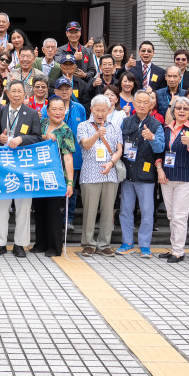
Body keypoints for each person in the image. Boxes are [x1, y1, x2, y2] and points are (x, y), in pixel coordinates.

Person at [0, 80, 42, 258]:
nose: (17, 94)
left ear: (25, 95)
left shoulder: (32, 114)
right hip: (3, 166)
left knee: (23, 206)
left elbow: (36, 137)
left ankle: (20, 244)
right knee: (2, 206)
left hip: (24, 167)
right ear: (7, 93)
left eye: (20, 91)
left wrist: (21, 139)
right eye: (13, 91)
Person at [115, 90, 164, 257]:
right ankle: (127, 242)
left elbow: (160, 149)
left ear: (151, 105)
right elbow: (119, 145)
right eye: (139, 102)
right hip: (128, 174)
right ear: (133, 104)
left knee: (147, 211)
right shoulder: (126, 122)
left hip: (146, 175)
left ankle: (144, 245)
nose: (142, 105)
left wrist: (151, 137)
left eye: (146, 102)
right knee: (126, 210)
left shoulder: (156, 125)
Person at [76, 94, 123, 257]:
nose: (101, 114)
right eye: (97, 110)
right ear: (91, 109)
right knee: (89, 211)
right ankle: (88, 243)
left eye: (104, 110)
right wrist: (98, 134)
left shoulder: (115, 127)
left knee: (108, 211)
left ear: (109, 110)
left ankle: (104, 244)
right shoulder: (83, 126)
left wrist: (111, 163)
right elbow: (86, 145)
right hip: (90, 174)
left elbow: (119, 150)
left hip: (110, 175)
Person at [156, 97, 189, 263]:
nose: (181, 111)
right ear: (173, 111)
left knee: (180, 216)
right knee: (171, 216)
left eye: (185, 109)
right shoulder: (165, 129)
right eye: (178, 108)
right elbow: (159, 152)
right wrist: (159, 169)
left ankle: (179, 252)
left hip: (185, 179)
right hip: (166, 177)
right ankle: (174, 248)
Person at [44, 76, 88, 228]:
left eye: (67, 89)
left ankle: (68, 218)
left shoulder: (80, 108)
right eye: (60, 89)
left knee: (72, 189)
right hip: (52, 160)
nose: (64, 92)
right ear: (55, 91)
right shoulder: (47, 109)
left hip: (73, 157)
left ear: (71, 90)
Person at [35, 96, 76, 257]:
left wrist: (70, 182)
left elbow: (68, 158)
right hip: (39, 175)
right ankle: (40, 243)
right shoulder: (42, 124)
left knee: (53, 212)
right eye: (54, 109)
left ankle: (54, 246)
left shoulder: (66, 131)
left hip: (57, 177)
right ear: (47, 110)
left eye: (61, 109)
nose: (58, 113)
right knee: (39, 210)